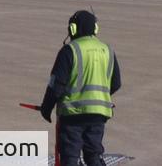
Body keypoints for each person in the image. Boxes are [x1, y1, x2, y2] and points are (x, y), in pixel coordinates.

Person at [39, 9, 121, 166]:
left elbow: (56, 85)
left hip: (73, 115)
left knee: (70, 156)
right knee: (93, 155)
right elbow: (116, 83)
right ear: (95, 29)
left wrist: (46, 108)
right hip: (99, 115)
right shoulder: (108, 50)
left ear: (73, 29)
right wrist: (98, 98)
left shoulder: (70, 50)